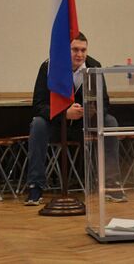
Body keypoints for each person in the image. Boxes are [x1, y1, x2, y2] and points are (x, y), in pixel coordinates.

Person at [24, 32, 126, 205]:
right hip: (55, 124)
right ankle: (35, 185)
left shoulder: (94, 66)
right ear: (65, 50)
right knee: (37, 124)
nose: (80, 54)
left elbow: (105, 102)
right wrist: (64, 113)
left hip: (83, 124)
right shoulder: (49, 66)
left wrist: (93, 111)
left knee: (110, 122)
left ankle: (111, 184)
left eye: (83, 50)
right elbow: (38, 105)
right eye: (75, 50)